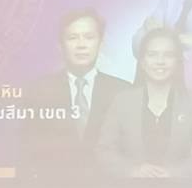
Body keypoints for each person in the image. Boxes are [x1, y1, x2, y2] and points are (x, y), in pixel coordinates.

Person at [95, 27, 192, 178]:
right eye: (152, 55)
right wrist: (132, 170)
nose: (160, 62)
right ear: (142, 62)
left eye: (168, 55)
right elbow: (104, 150)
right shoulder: (122, 101)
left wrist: (176, 173)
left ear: (177, 61)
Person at [31, 8, 131, 140]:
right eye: (72, 38)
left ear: (101, 44)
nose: (81, 45)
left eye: (89, 37)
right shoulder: (39, 91)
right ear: (60, 46)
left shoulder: (123, 91)